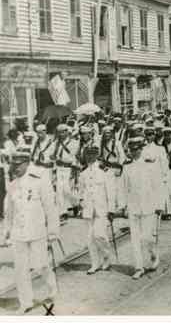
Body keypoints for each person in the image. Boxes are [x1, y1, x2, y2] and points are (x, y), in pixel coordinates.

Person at [3, 152, 59, 314]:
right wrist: (6, 231)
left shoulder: (40, 179)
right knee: (21, 269)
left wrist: (53, 231)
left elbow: (50, 206)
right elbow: (9, 211)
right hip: (18, 233)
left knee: (40, 265)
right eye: (13, 165)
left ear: (27, 163)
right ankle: (25, 302)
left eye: (19, 165)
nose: (15, 168)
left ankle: (52, 287)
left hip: (37, 230)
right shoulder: (12, 185)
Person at [122, 137, 164, 280]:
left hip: (149, 206)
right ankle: (139, 267)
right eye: (132, 150)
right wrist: (123, 206)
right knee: (135, 239)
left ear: (142, 149)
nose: (135, 152)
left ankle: (153, 253)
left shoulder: (150, 166)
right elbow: (124, 188)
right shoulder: (127, 167)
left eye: (137, 149)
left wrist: (159, 205)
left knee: (146, 237)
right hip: (133, 207)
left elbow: (157, 186)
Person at [79, 146, 112, 275]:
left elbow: (110, 190)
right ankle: (95, 263)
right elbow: (81, 191)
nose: (90, 157)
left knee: (100, 234)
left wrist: (111, 209)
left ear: (97, 155)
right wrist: (82, 202)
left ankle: (106, 255)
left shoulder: (104, 171)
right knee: (90, 238)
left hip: (101, 208)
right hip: (88, 209)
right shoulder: (83, 173)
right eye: (88, 154)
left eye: (93, 154)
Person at [52, 124, 79, 221]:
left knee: (67, 190)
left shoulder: (74, 143)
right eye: (59, 132)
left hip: (69, 168)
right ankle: (62, 212)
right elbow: (53, 155)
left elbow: (75, 157)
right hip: (59, 168)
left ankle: (75, 204)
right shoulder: (56, 143)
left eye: (63, 131)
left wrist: (73, 169)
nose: (61, 134)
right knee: (59, 191)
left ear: (67, 132)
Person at [99, 126, 125, 213]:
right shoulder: (102, 144)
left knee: (119, 189)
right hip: (107, 168)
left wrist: (120, 167)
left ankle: (122, 207)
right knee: (109, 189)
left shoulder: (117, 143)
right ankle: (111, 209)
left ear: (112, 134)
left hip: (116, 168)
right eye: (105, 133)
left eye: (109, 133)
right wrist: (102, 166)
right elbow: (100, 157)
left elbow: (122, 156)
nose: (107, 135)